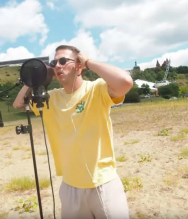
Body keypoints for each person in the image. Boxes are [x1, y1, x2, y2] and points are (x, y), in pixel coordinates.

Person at [13, 45, 133, 219]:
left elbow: (125, 82)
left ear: (78, 66)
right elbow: (18, 103)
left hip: (103, 182)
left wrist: (88, 62)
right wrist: (36, 78)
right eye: (55, 63)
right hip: (70, 186)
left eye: (63, 61)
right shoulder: (51, 98)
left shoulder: (96, 89)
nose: (58, 66)